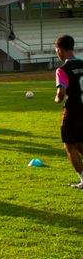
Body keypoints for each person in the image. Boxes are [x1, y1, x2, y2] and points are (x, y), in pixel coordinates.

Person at [53, 34, 83, 188]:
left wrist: (57, 99)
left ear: (60, 49)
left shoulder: (62, 69)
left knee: (69, 146)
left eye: (56, 50)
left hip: (73, 110)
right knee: (79, 144)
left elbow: (61, 92)